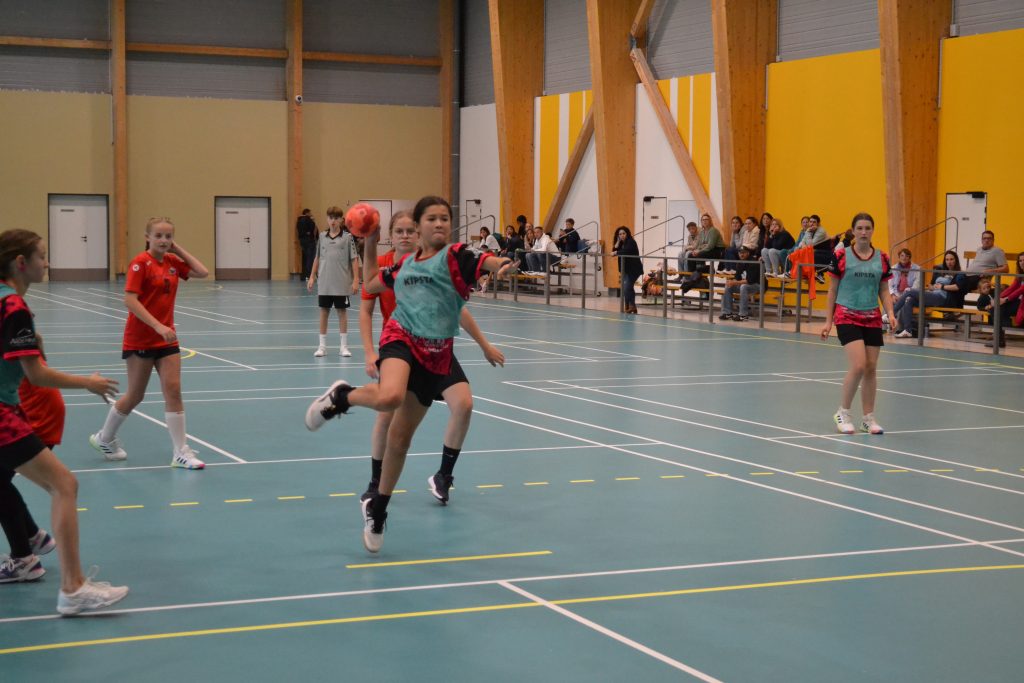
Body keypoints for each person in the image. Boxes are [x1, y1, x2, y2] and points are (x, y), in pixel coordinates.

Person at [304, 196, 512, 553]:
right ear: (420, 226)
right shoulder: (403, 267)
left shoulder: (456, 257)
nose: (439, 223)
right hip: (400, 338)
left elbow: (483, 260)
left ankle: (378, 508)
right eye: (431, 218)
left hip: (436, 355)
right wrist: (370, 241)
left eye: (444, 218)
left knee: (400, 442)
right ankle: (342, 398)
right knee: (390, 397)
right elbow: (371, 283)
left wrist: (500, 264)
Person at [0, 229, 128, 613]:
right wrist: (87, 382)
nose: (47, 262)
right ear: (21, 263)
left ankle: (28, 548)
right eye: (42, 255)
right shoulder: (13, 307)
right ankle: (73, 588)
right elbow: (36, 374)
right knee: (64, 485)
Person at [358, 211, 506, 507]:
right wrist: (370, 352)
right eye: (399, 231)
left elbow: (458, 309)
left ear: (419, 234)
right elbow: (365, 309)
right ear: (390, 235)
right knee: (387, 414)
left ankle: (443, 476)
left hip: (437, 347)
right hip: (400, 349)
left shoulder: (436, 263)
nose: (405, 236)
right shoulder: (384, 266)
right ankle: (376, 482)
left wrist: (484, 345)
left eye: (410, 231)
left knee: (464, 405)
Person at [90, 217, 209, 469]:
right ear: (147, 237)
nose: (163, 240)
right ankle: (104, 438)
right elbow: (129, 300)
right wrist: (157, 325)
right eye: (158, 236)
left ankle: (181, 452)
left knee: (173, 390)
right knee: (135, 395)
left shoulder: (172, 262)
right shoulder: (139, 264)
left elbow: (202, 272)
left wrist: (177, 249)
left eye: (168, 236)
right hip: (141, 338)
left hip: (167, 340)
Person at [820, 213, 895, 435]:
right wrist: (828, 321)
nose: (864, 232)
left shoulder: (882, 258)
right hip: (846, 314)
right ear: (853, 231)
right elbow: (832, 289)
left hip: (872, 316)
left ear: (872, 231)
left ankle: (868, 419)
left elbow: (884, 289)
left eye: (867, 228)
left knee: (871, 367)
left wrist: (890, 313)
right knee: (859, 365)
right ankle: (842, 413)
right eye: (859, 228)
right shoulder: (841, 256)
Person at [0, 363, 61, 583]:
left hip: (34, 415)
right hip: (32, 409)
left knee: (64, 487)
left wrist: (88, 383)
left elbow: (37, 373)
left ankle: (24, 558)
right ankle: (33, 538)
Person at [307, 206, 360, 357]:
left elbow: (354, 259)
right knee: (324, 312)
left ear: (341, 220)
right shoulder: (322, 236)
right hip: (325, 283)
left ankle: (343, 347)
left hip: (342, 283)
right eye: (330, 218)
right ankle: (322, 347)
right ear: (327, 219)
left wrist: (356, 279)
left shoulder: (348, 237)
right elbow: (317, 257)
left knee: (342, 312)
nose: (333, 221)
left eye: (336, 218)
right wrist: (312, 276)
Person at [892, 250, 968, 339]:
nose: (949, 262)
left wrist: (942, 287)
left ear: (956, 260)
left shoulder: (959, 273)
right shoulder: (942, 272)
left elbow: (958, 287)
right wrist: (932, 287)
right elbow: (931, 285)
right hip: (934, 294)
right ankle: (908, 330)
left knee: (909, 291)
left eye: (951, 259)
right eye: (947, 260)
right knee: (909, 299)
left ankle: (891, 313)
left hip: (944, 298)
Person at [985, 252, 1024, 348]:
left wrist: (1006, 299)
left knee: (998, 308)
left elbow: (1020, 290)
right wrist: (997, 299)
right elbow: (1012, 288)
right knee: (995, 308)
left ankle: (999, 336)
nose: (1022, 263)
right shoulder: (1020, 275)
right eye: (1020, 261)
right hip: (1019, 302)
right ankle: (999, 339)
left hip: (1022, 304)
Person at [719, 246, 761, 322]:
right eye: (740, 253)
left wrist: (734, 282)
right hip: (745, 285)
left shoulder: (753, 262)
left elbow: (749, 281)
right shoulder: (740, 263)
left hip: (757, 286)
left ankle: (743, 315)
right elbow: (737, 278)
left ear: (748, 253)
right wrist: (731, 282)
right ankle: (727, 313)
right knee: (729, 286)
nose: (741, 254)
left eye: (743, 253)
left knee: (744, 287)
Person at [613, 226, 643, 314]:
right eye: (620, 234)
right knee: (628, 288)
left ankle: (631, 306)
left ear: (627, 234)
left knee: (627, 288)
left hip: (634, 269)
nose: (622, 235)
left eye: (623, 233)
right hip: (626, 269)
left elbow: (626, 251)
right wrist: (617, 242)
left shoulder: (631, 242)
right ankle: (630, 306)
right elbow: (613, 250)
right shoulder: (621, 243)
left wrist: (616, 252)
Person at [296, 208, 317, 281]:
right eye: (310, 212)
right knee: (310, 258)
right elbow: (312, 228)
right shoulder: (308, 220)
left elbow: (300, 231)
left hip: (302, 241)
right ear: (307, 213)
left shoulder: (299, 220)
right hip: (309, 241)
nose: (311, 214)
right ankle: (309, 275)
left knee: (305, 257)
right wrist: (313, 221)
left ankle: (304, 275)